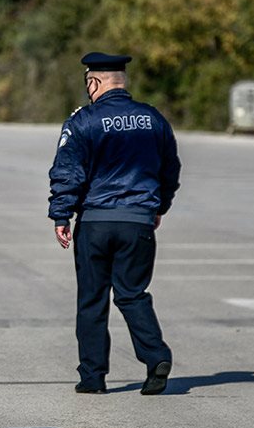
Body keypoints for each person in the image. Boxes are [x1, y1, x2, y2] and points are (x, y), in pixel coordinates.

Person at [48, 51, 181, 396]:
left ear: (93, 82)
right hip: (138, 221)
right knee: (132, 294)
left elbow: (68, 172)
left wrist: (62, 214)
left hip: (95, 222)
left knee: (92, 299)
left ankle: (93, 377)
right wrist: (158, 206)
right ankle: (156, 356)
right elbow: (170, 169)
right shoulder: (153, 119)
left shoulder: (84, 121)